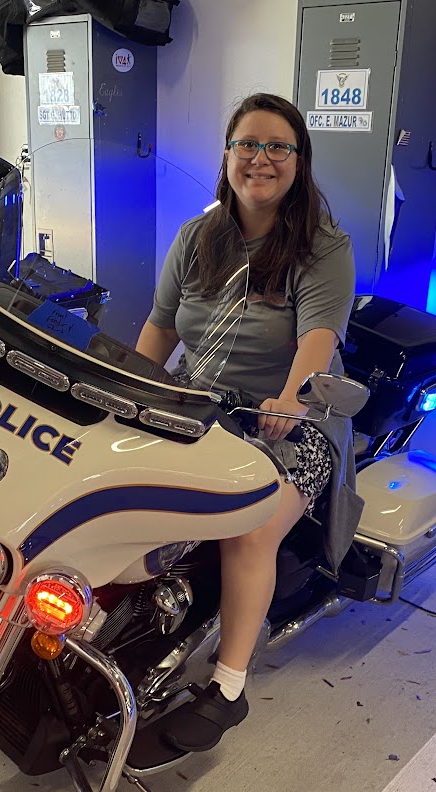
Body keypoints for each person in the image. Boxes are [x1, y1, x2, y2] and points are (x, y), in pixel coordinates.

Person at [135, 93, 364, 753]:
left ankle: (228, 686)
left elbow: (317, 336)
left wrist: (292, 398)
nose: (259, 158)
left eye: (277, 146)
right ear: (227, 155)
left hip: (295, 421)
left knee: (249, 530)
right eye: (246, 144)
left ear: (299, 161)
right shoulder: (197, 236)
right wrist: (124, 388)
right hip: (197, 404)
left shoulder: (321, 245)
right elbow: (157, 327)